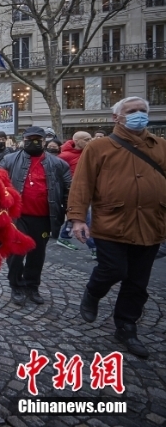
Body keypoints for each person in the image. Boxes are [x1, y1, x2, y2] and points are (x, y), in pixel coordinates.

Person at [69, 96, 166, 359]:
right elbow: (82, 184)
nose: (138, 115)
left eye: (142, 111)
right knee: (113, 268)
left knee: (137, 282)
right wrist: (77, 219)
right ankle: (93, 292)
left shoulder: (160, 146)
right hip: (111, 224)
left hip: (151, 225)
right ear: (116, 118)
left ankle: (126, 326)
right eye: (132, 111)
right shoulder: (99, 147)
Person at [0, 126, 71, 306]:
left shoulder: (58, 164)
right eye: (30, 139)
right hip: (17, 216)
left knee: (37, 254)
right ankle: (16, 285)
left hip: (44, 217)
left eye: (38, 139)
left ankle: (32, 286)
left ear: (45, 140)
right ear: (23, 140)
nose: (34, 142)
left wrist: (72, 214)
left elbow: (70, 190)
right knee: (16, 252)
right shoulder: (9, 160)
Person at [56, 131, 93, 251]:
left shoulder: (90, 153)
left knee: (75, 216)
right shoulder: (64, 156)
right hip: (72, 193)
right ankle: (95, 248)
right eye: (86, 139)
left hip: (88, 190)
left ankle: (64, 236)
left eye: (90, 139)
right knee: (85, 218)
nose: (90, 141)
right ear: (76, 141)